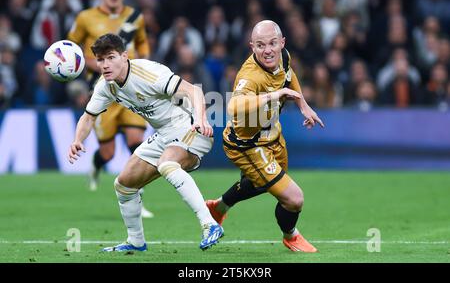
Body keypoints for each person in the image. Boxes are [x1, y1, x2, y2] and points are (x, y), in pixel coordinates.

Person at [68, 33, 224, 252]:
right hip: (164, 134)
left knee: (167, 164)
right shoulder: (106, 85)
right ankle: (136, 241)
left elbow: (193, 90)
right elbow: (88, 116)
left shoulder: (148, 73)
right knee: (123, 185)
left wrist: (200, 118)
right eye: (101, 60)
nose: (105, 65)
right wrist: (77, 140)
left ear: (124, 56)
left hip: (190, 126)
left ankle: (210, 225)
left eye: (111, 57)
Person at [206, 20, 324, 252]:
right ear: (252, 47)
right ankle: (291, 236)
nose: (267, 50)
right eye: (260, 45)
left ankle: (218, 208)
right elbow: (234, 106)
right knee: (293, 198)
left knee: (263, 184)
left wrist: (303, 105)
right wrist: (275, 94)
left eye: (272, 43)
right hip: (247, 144)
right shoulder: (249, 76)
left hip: (272, 136)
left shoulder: (284, 57)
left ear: (282, 43)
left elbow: (289, 76)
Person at [67, 0, 154, 217]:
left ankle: (137, 197)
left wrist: (144, 68)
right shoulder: (86, 18)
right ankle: (95, 167)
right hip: (103, 89)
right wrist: (95, 64)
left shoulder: (135, 17)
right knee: (108, 152)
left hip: (132, 88)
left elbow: (143, 46)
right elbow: (71, 49)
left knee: (136, 143)